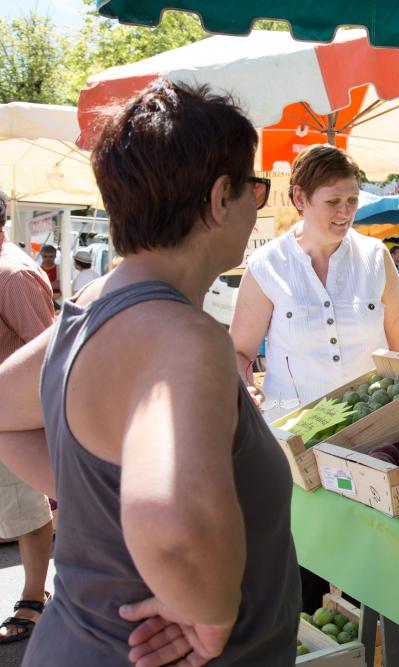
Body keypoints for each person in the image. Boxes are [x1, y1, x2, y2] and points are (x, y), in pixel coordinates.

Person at [0, 81, 301, 665]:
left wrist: (101, 502)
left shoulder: (93, 305)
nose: (256, 204)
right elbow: (171, 526)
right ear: (220, 199)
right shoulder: (187, 341)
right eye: (255, 189)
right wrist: (212, 616)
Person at [230, 144, 399, 422]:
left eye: (352, 201)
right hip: (291, 431)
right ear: (300, 197)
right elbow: (239, 352)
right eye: (333, 202)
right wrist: (245, 388)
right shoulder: (266, 265)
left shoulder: (376, 257)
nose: (345, 213)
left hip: (369, 430)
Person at [0, 193, 55, 646]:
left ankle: (34, 595)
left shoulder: (13, 274)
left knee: (25, 508)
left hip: (12, 420)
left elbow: (49, 354)